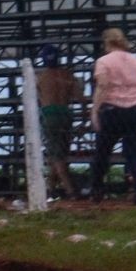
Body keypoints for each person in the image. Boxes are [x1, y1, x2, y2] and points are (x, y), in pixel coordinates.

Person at [88, 28, 136, 203]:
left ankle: (97, 189)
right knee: (133, 153)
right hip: (135, 109)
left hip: (112, 110)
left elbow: (103, 86)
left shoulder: (103, 62)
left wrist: (95, 110)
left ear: (107, 43)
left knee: (102, 152)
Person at [34, 44, 80, 199]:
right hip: (65, 114)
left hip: (49, 115)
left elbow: (36, 99)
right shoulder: (68, 75)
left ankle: (70, 190)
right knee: (59, 153)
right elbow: (80, 97)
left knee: (56, 154)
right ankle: (51, 189)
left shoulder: (41, 77)